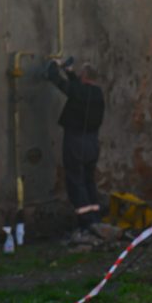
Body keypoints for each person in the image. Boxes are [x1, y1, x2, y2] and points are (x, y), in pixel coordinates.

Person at [45, 56, 105, 239]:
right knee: (88, 180)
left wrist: (54, 66)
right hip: (92, 143)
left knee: (75, 182)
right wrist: (70, 72)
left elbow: (59, 83)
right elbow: (76, 90)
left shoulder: (79, 91)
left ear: (85, 77)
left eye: (80, 75)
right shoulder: (97, 94)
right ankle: (95, 219)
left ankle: (85, 224)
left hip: (75, 141)